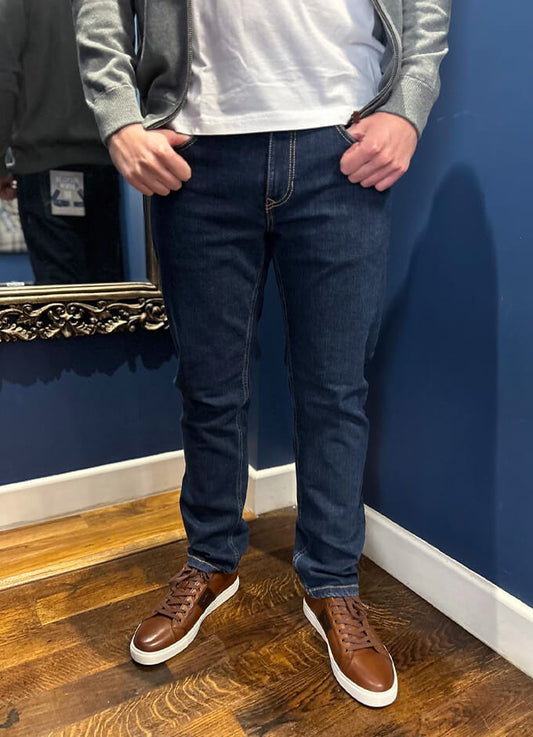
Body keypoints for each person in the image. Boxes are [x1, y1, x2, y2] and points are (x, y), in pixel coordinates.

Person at [73, 0, 451, 707]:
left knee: (335, 391)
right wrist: (119, 117)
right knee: (208, 386)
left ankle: (331, 580)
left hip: (341, 143)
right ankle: (211, 559)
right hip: (197, 148)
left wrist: (409, 105)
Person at [0, 0, 123, 285]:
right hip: (106, 160)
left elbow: (4, 78)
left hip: (45, 162)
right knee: (107, 294)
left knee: (61, 297)